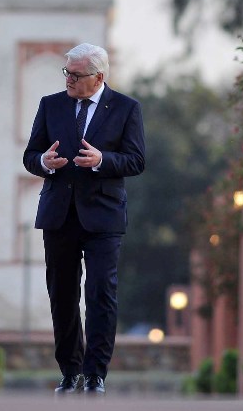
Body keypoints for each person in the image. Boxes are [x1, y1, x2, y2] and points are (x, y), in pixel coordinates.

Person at [23, 43, 146, 395]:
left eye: (76, 75)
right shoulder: (51, 104)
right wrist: (45, 162)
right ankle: (70, 371)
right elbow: (31, 155)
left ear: (99, 77)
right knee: (61, 294)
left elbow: (136, 160)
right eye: (67, 73)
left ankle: (95, 374)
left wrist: (102, 160)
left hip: (103, 217)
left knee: (100, 293)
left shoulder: (126, 108)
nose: (69, 80)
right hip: (58, 214)